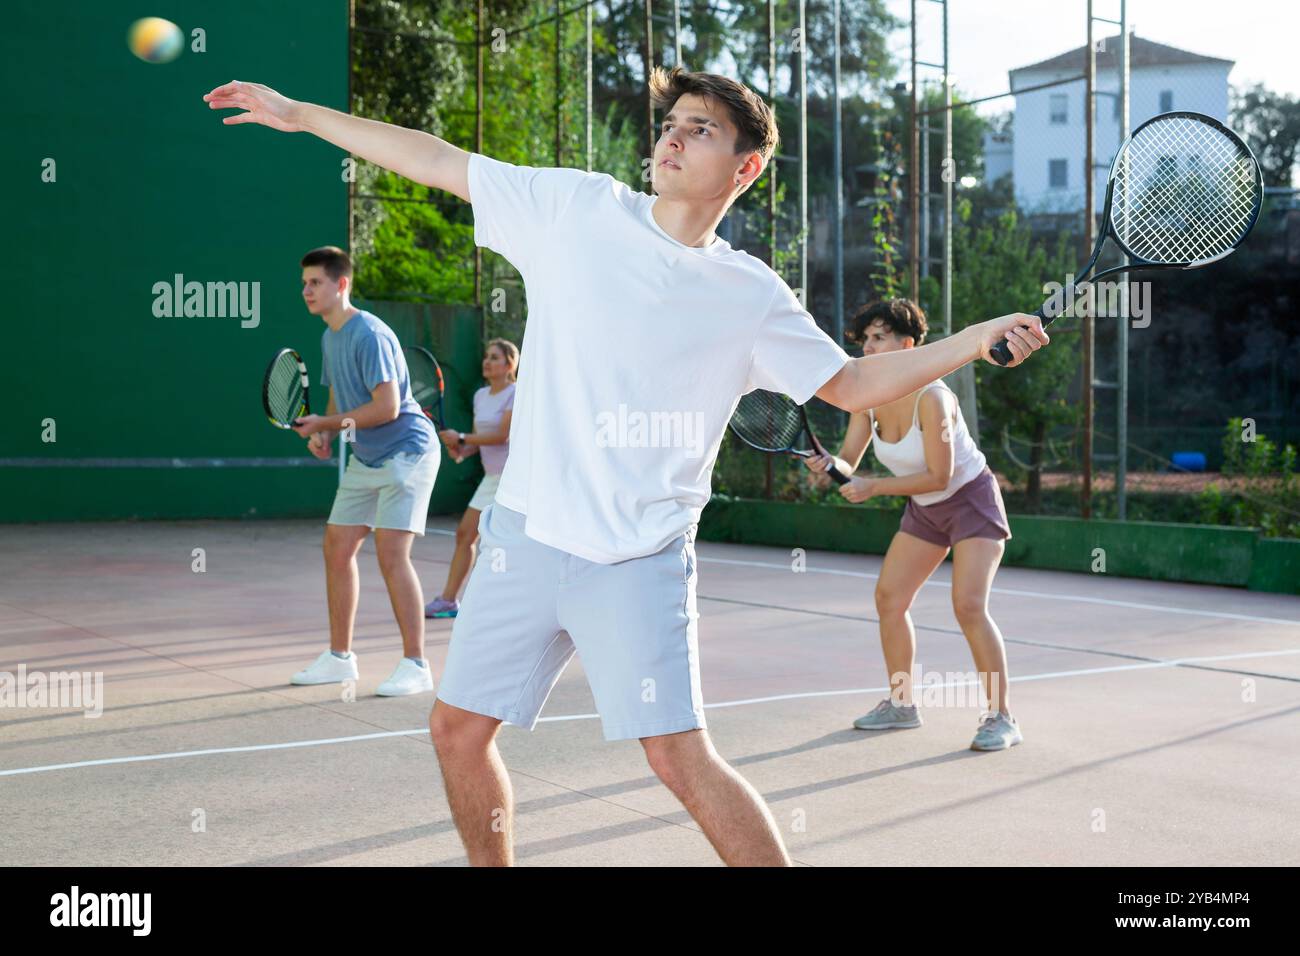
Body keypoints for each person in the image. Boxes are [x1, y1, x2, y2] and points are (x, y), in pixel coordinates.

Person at [204, 67, 1047, 866]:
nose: (672, 140)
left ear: (745, 167)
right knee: (456, 729)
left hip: (639, 559)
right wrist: (304, 116)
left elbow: (853, 381)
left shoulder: (750, 293)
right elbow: (435, 157)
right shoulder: (575, 207)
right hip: (524, 538)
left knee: (679, 757)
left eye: (701, 129)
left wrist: (970, 341)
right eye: (670, 125)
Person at [805, 299, 1020, 751]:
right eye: (864, 340)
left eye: (878, 338)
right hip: (925, 507)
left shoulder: (934, 399)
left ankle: (1001, 717)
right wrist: (829, 464)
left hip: (970, 501)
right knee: (889, 599)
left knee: (968, 605)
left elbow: (940, 477)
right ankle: (902, 705)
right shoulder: (867, 399)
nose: (867, 348)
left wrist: (872, 488)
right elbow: (849, 459)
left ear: (908, 344)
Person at [286, 246, 440, 697]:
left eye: (315, 282)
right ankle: (340, 659)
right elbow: (339, 398)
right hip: (367, 455)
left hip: (407, 452)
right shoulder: (330, 336)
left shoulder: (368, 333)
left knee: (392, 553)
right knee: (337, 547)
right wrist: (327, 433)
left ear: (342, 285)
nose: (307, 291)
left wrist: (327, 423)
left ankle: (416, 664)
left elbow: (387, 407)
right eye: (304, 284)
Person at [425, 338, 519, 619]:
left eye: (494, 357)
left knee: (508, 542)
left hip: (513, 479)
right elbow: (481, 441)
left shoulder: (516, 393)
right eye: (486, 356)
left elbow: (503, 436)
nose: (487, 362)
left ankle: (513, 603)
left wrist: (463, 436)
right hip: (491, 477)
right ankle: (449, 601)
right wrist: (462, 449)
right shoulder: (480, 396)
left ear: (509, 365)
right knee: (465, 534)